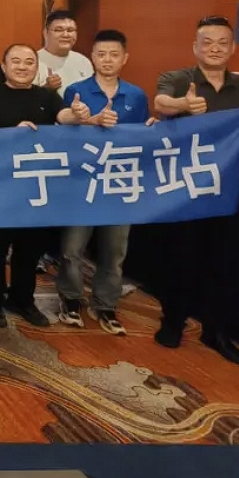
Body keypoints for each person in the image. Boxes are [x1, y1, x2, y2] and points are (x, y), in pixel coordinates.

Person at [152, 15, 239, 365]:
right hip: (186, 189)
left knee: (225, 262)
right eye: (207, 42)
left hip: (229, 188)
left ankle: (216, 331)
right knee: (181, 259)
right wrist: (183, 105)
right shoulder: (178, 79)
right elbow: (160, 104)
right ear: (195, 47)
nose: (215, 49)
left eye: (222, 43)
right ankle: (172, 322)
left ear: (233, 48)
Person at [56, 29, 151, 335]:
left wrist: (151, 129)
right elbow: (63, 132)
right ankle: (71, 299)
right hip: (83, 180)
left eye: (114, 54)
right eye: (101, 54)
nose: (107, 60)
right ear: (92, 58)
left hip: (119, 183)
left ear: (125, 58)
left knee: (114, 250)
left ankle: (105, 304)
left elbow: (142, 138)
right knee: (72, 248)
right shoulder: (76, 91)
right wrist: (86, 119)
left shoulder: (136, 96)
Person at [0, 44, 66, 329]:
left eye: (29, 62)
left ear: (36, 67)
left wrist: (80, 115)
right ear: (3, 66)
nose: (23, 67)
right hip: (0, 185)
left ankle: (22, 299)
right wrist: (11, 134)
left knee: (30, 248)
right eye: (16, 61)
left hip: (35, 186)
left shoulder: (48, 96)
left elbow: (65, 119)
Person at [34, 10, 94, 93]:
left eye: (70, 30)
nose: (66, 35)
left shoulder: (83, 61)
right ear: (45, 33)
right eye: (59, 30)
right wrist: (46, 89)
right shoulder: (33, 60)